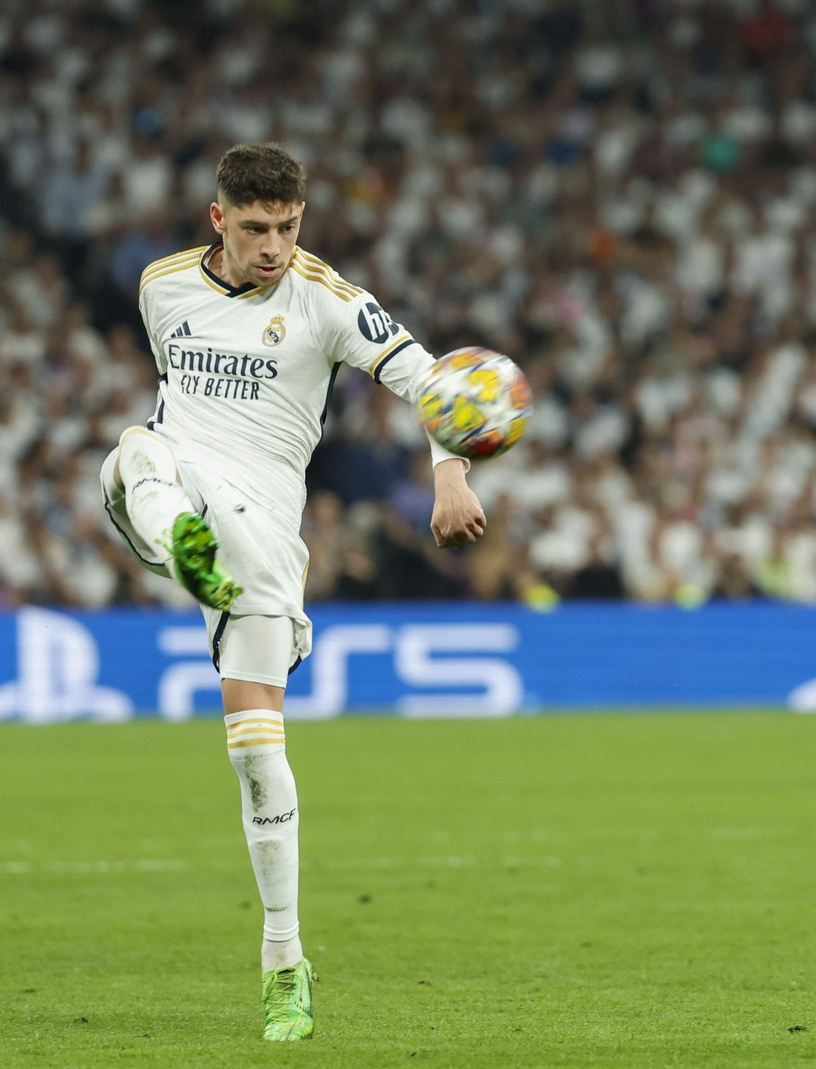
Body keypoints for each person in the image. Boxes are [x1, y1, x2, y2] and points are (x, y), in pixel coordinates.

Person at [100, 143, 486, 1041]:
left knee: (254, 753)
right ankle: (180, 543)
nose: (274, 246)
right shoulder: (162, 287)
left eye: (287, 226)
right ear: (219, 219)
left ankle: (285, 961)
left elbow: (431, 377)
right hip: (181, 484)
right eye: (256, 228)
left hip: (265, 533)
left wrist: (450, 473)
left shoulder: (328, 300)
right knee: (138, 449)